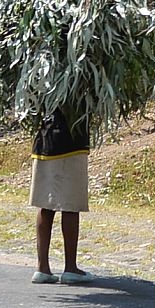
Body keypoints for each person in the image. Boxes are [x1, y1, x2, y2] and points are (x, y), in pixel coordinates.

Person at [30, 105, 94, 285]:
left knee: (46, 205)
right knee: (70, 206)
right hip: (71, 143)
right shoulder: (80, 79)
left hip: (44, 140)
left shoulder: (41, 79)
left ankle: (42, 268)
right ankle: (70, 268)